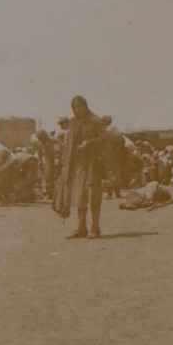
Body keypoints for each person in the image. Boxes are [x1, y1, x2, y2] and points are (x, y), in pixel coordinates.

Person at [53, 96, 106, 239]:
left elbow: (103, 139)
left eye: (79, 107)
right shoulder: (73, 122)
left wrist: (89, 143)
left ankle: (95, 228)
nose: (77, 110)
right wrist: (65, 164)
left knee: (93, 196)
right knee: (80, 197)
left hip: (93, 163)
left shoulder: (96, 121)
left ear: (85, 106)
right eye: (74, 108)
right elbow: (68, 144)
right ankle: (81, 228)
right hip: (77, 165)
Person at [100, 115, 125, 198]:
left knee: (109, 174)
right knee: (116, 173)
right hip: (116, 155)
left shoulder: (106, 130)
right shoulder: (116, 130)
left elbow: (101, 141)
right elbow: (122, 142)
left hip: (108, 155)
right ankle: (117, 193)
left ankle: (110, 193)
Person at [35, 129, 56, 200]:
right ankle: (48, 192)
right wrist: (40, 161)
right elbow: (40, 153)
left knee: (53, 176)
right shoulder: (39, 143)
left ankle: (53, 192)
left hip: (54, 159)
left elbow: (58, 149)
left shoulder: (53, 141)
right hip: (46, 160)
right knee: (47, 176)